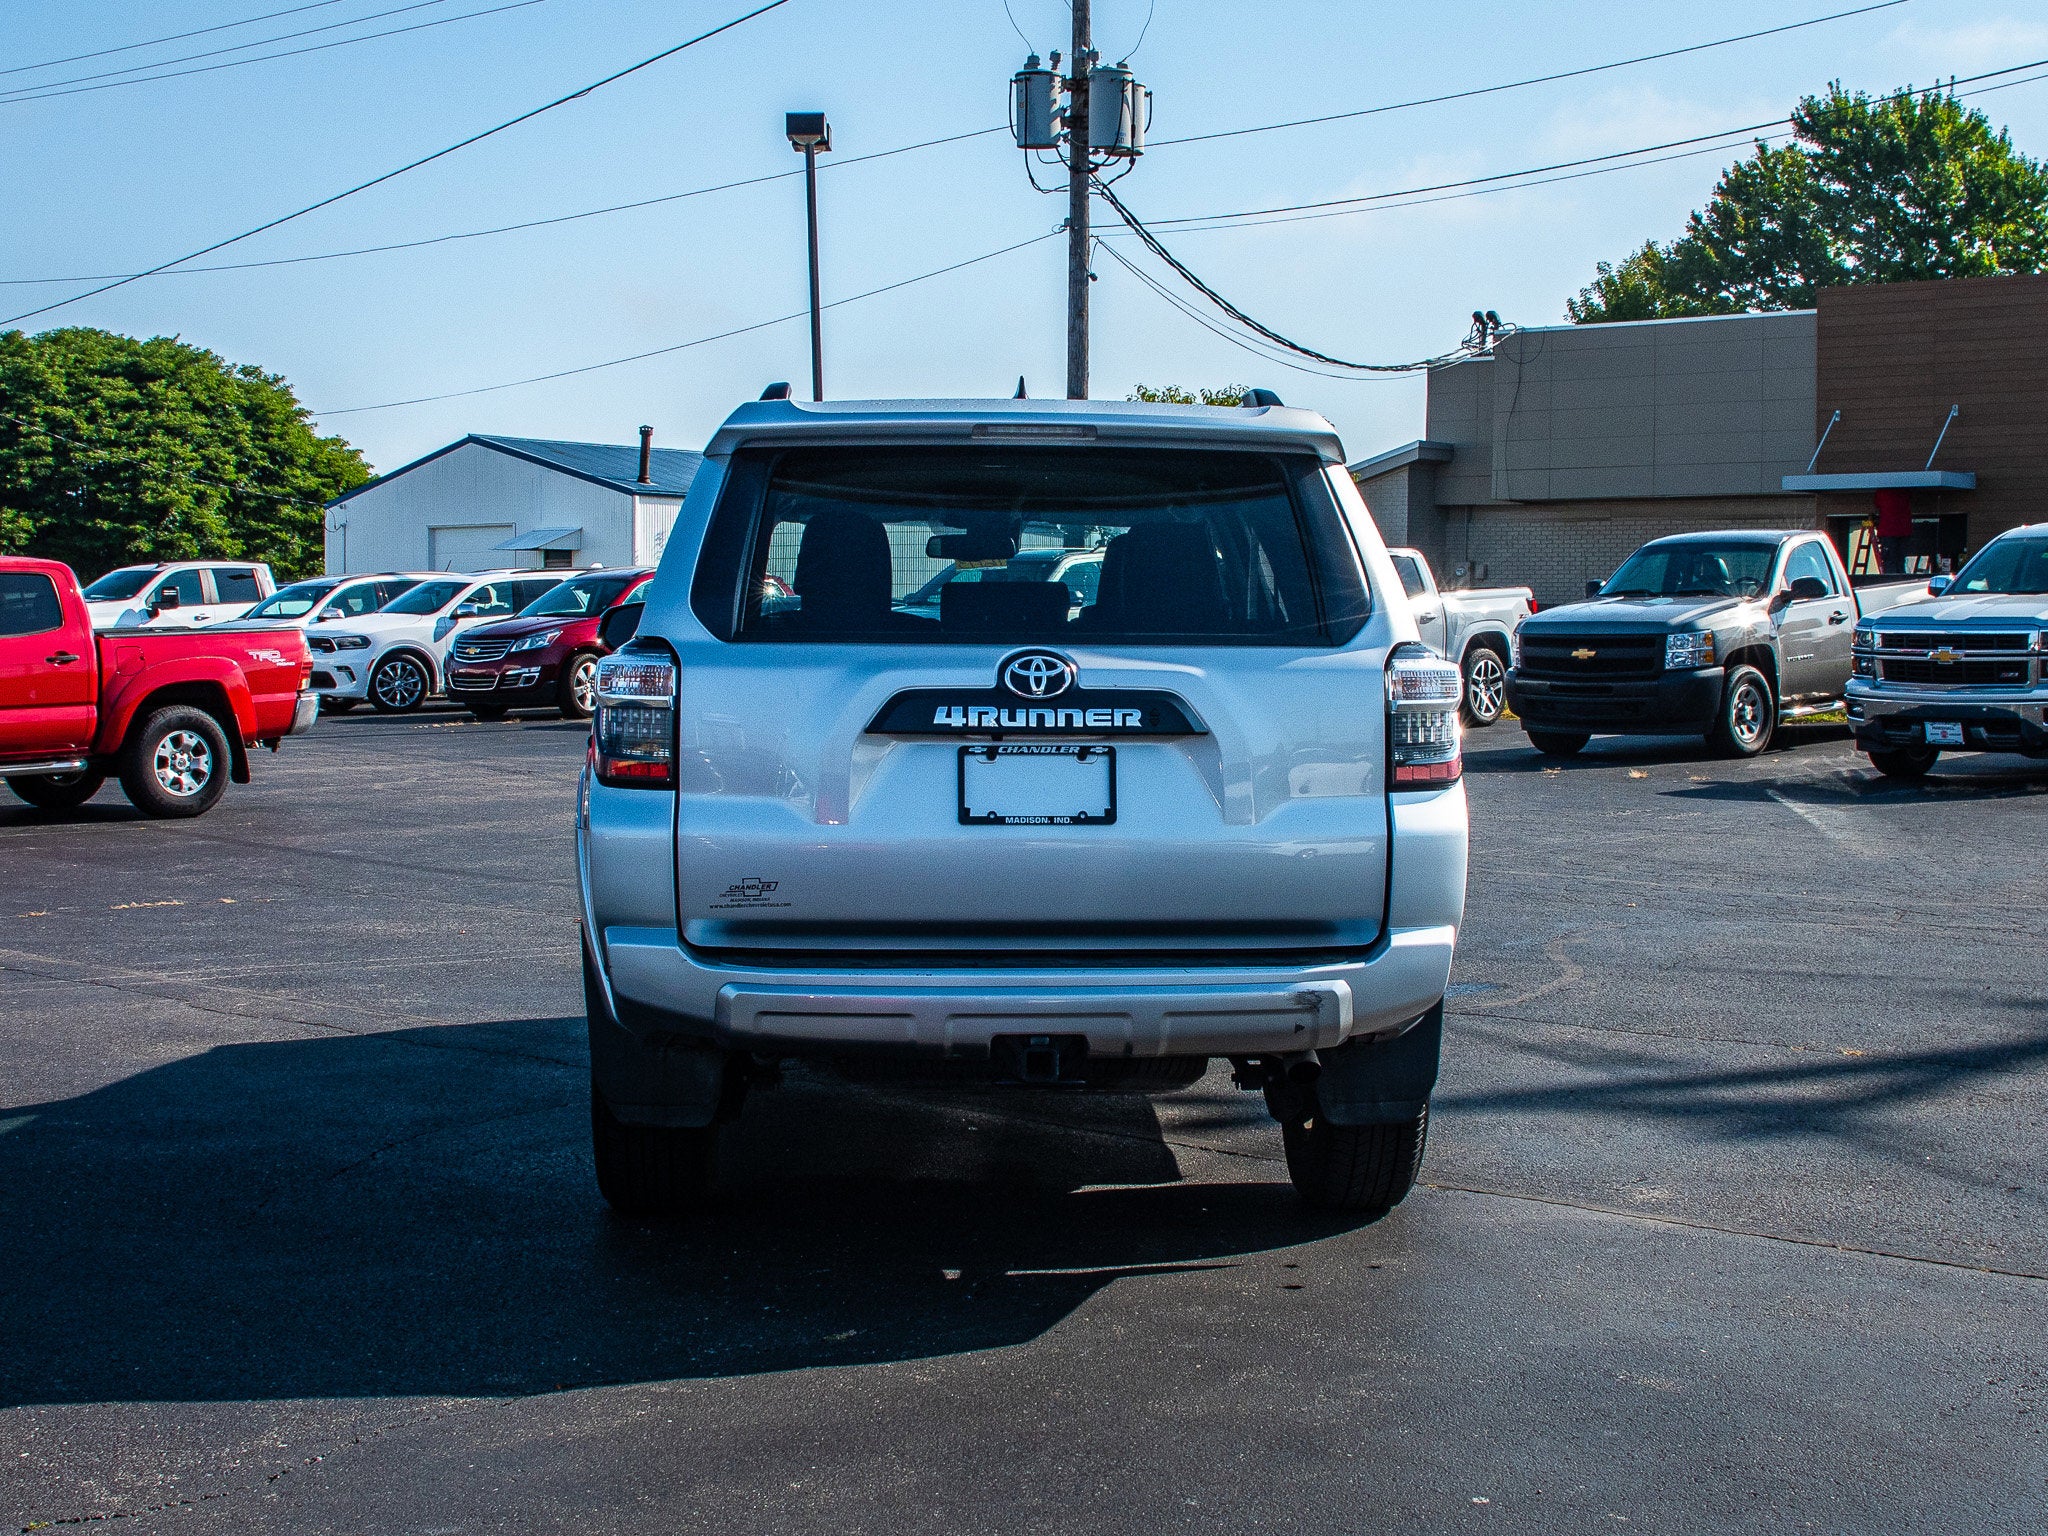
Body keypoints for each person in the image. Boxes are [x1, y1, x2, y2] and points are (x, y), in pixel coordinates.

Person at [1873, 488, 1913, 574]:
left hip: (1888, 531)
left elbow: (1877, 505)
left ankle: (1891, 580)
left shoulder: (1882, 492)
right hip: (1903, 531)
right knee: (1900, 560)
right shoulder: (1904, 491)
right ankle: (1901, 579)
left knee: (1890, 561)